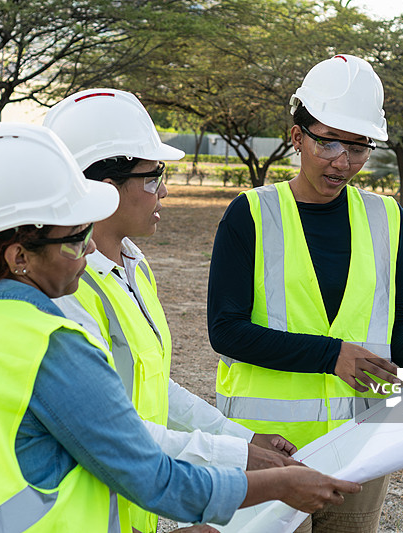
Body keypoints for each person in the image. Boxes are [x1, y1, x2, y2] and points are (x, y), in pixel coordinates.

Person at [0, 122, 361, 532]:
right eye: (76, 238)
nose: (87, 250)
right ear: (18, 257)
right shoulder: (46, 343)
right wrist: (277, 483)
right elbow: (149, 474)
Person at [44, 88, 300, 533]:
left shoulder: (134, 265)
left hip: (128, 509)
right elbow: (115, 430)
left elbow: (153, 386)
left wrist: (240, 437)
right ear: (105, 192)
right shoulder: (67, 289)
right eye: (153, 176)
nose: (164, 189)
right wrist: (240, 459)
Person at [207, 54, 403, 533]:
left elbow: (395, 320)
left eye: (358, 147)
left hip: (360, 445)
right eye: (329, 142)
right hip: (272, 450)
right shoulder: (250, 214)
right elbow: (225, 331)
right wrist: (329, 355)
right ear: (297, 137)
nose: (343, 161)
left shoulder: (388, 218)